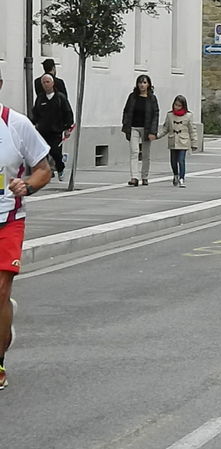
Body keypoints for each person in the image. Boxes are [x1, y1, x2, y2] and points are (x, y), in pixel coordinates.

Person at [0, 67, 52, 390]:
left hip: (7, 220)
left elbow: (43, 169)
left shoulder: (16, 124)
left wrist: (27, 186)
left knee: (0, 291)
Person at [31, 74, 74, 182]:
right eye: (43, 83)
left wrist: (67, 128)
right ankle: (45, 175)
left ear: (52, 83)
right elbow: (35, 114)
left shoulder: (60, 98)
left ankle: (60, 168)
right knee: (42, 154)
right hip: (42, 131)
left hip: (56, 131)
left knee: (55, 152)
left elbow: (68, 112)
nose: (45, 85)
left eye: (47, 82)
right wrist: (32, 124)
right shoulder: (40, 99)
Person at [121, 75, 159, 186]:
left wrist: (153, 131)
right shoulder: (132, 97)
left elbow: (155, 114)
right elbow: (126, 111)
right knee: (134, 152)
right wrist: (125, 124)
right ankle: (134, 177)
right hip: (133, 127)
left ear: (148, 85)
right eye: (140, 82)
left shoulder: (152, 98)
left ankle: (145, 176)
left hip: (146, 129)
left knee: (146, 154)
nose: (142, 85)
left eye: (144, 82)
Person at [157, 95, 198, 188]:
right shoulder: (170, 115)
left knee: (181, 160)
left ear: (183, 106)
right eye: (176, 105)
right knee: (173, 161)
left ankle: (182, 178)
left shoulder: (188, 115)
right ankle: (175, 174)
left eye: (179, 105)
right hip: (173, 140)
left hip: (183, 141)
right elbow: (165, 128)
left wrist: (194, 143)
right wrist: (157, 136)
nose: (177, 107)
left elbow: (192, 130)